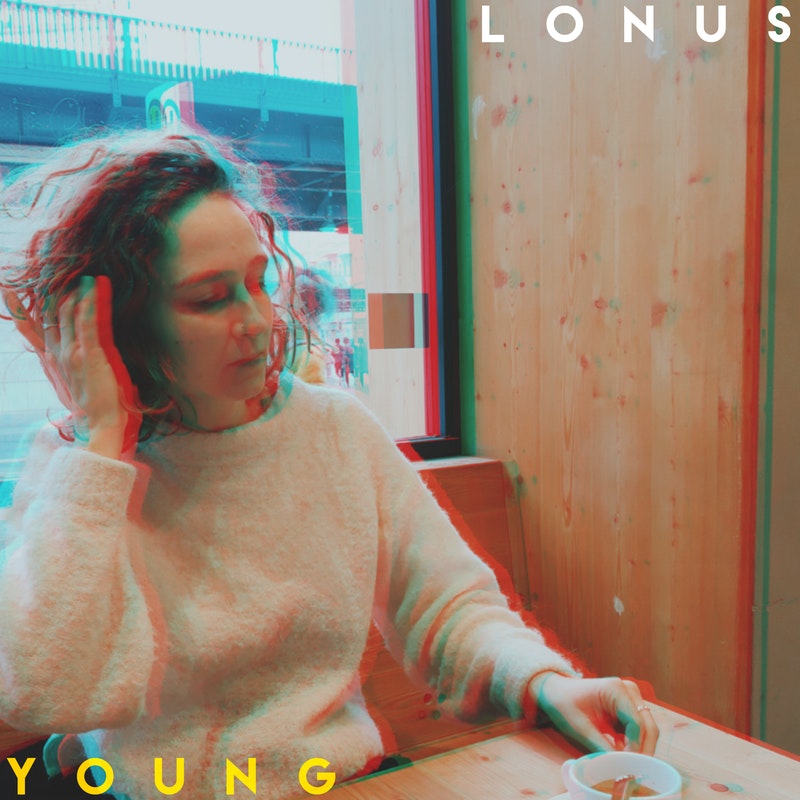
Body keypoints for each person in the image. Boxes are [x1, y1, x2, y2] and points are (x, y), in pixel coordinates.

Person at [0, 127, 658, 800]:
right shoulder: (79, 470)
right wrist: (103, 440)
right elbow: (45, 691)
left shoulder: (335, 429)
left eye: (258, 283)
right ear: (125, 324)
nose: (258, 321)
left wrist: (546, 682)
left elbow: (449, 607)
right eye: (210, 299)